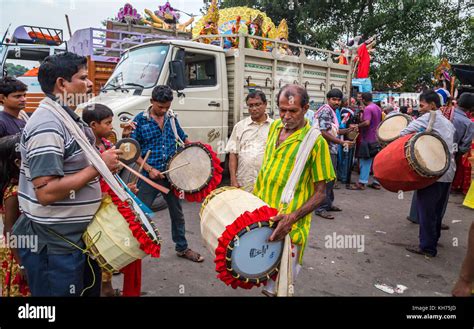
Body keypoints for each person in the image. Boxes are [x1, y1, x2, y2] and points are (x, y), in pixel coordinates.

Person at [11, 52, 122, 296]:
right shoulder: (48, 125)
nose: (91, 82)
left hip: (74, 240)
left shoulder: (67, 117)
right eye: (83, 77)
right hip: (55, 246)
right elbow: (47, 192)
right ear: (62, 84)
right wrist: (98, 166)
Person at [253, 84, 335, 296]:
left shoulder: (316, 142)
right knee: (260, 275)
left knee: (279, 287)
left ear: (306, 108)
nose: (286, 116)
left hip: (291, 227)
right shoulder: (274, 128)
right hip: (263, 218)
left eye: (293, 111)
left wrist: (291, 217)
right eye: (282, 110)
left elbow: (320, 194)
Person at [131, 85, 204, 263]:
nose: (164, 110)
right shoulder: (139, 121)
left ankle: (182, 247)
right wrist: (149, 169)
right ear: (151, 102)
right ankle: (130, 252)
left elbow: (183, 138)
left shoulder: (171, 118)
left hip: (172, 175)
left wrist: (196, 152)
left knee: (177, 213)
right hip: (149, 176)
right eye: (160, 107)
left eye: (167, 107)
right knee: (139, 214)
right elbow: (133, 151)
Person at [400, 90, 456, 257]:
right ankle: (433, 239)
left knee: (426, 211)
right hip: (448, 171)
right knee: (437, 210)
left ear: (432, 105)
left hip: (432, 172)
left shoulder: (428, 117)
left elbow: (403, 133)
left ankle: (427, 247)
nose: (420, 108)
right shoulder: (448, 122)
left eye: (422, 104)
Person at [314, 89, 354, 219]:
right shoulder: (326, 111)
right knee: (326, 179)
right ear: (328, 99)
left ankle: (328, 204)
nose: (336, 102)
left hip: (331, 149)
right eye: (334, 99)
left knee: (331, 178)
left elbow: (333, 131)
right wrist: (342, 143)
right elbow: (323, 132)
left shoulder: (332, 111)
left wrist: (348, 130)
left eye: (338, 100)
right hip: (325, 149)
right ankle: (321, 208)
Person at [0, 135, 30, 296]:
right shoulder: (15, 192)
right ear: (18, 163)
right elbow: (9, 229)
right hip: (19, 253)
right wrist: (21, 264)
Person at [226, 90, 273, 192]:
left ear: (265, 105)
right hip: (244, 181)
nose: (254, 108)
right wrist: (233, 179)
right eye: (250, 106)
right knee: (244, 207)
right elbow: (233, 154)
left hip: (267, 181)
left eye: (257, 104)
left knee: (264, 207)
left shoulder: (275, 127)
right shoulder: (239, 126)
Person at [349, 92, 382, 190]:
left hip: (367, 138)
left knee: (365, 161)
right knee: (375, 161)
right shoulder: (377, 108)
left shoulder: (368, 108)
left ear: (363, 100)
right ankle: (376, 183)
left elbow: (367, 122)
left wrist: (356, 126)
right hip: (376, 138)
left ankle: (362, 183)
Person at [451, 93, 474, 194]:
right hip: (452, 154)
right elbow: (465, 146)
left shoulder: (442, 113)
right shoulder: (468, 123)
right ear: (471, 107)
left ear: (458, 101)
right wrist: (456, 154)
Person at [336, 96, 356, 187]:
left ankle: (341, 176)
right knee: (346, 157)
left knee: (343, 157)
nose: (353, 104)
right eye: (351, 102)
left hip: (342, 137)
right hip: (345, 138)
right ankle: (344, 177)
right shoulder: (346, 112)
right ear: (346, 103)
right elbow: (343, 124)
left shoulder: (340, 111)